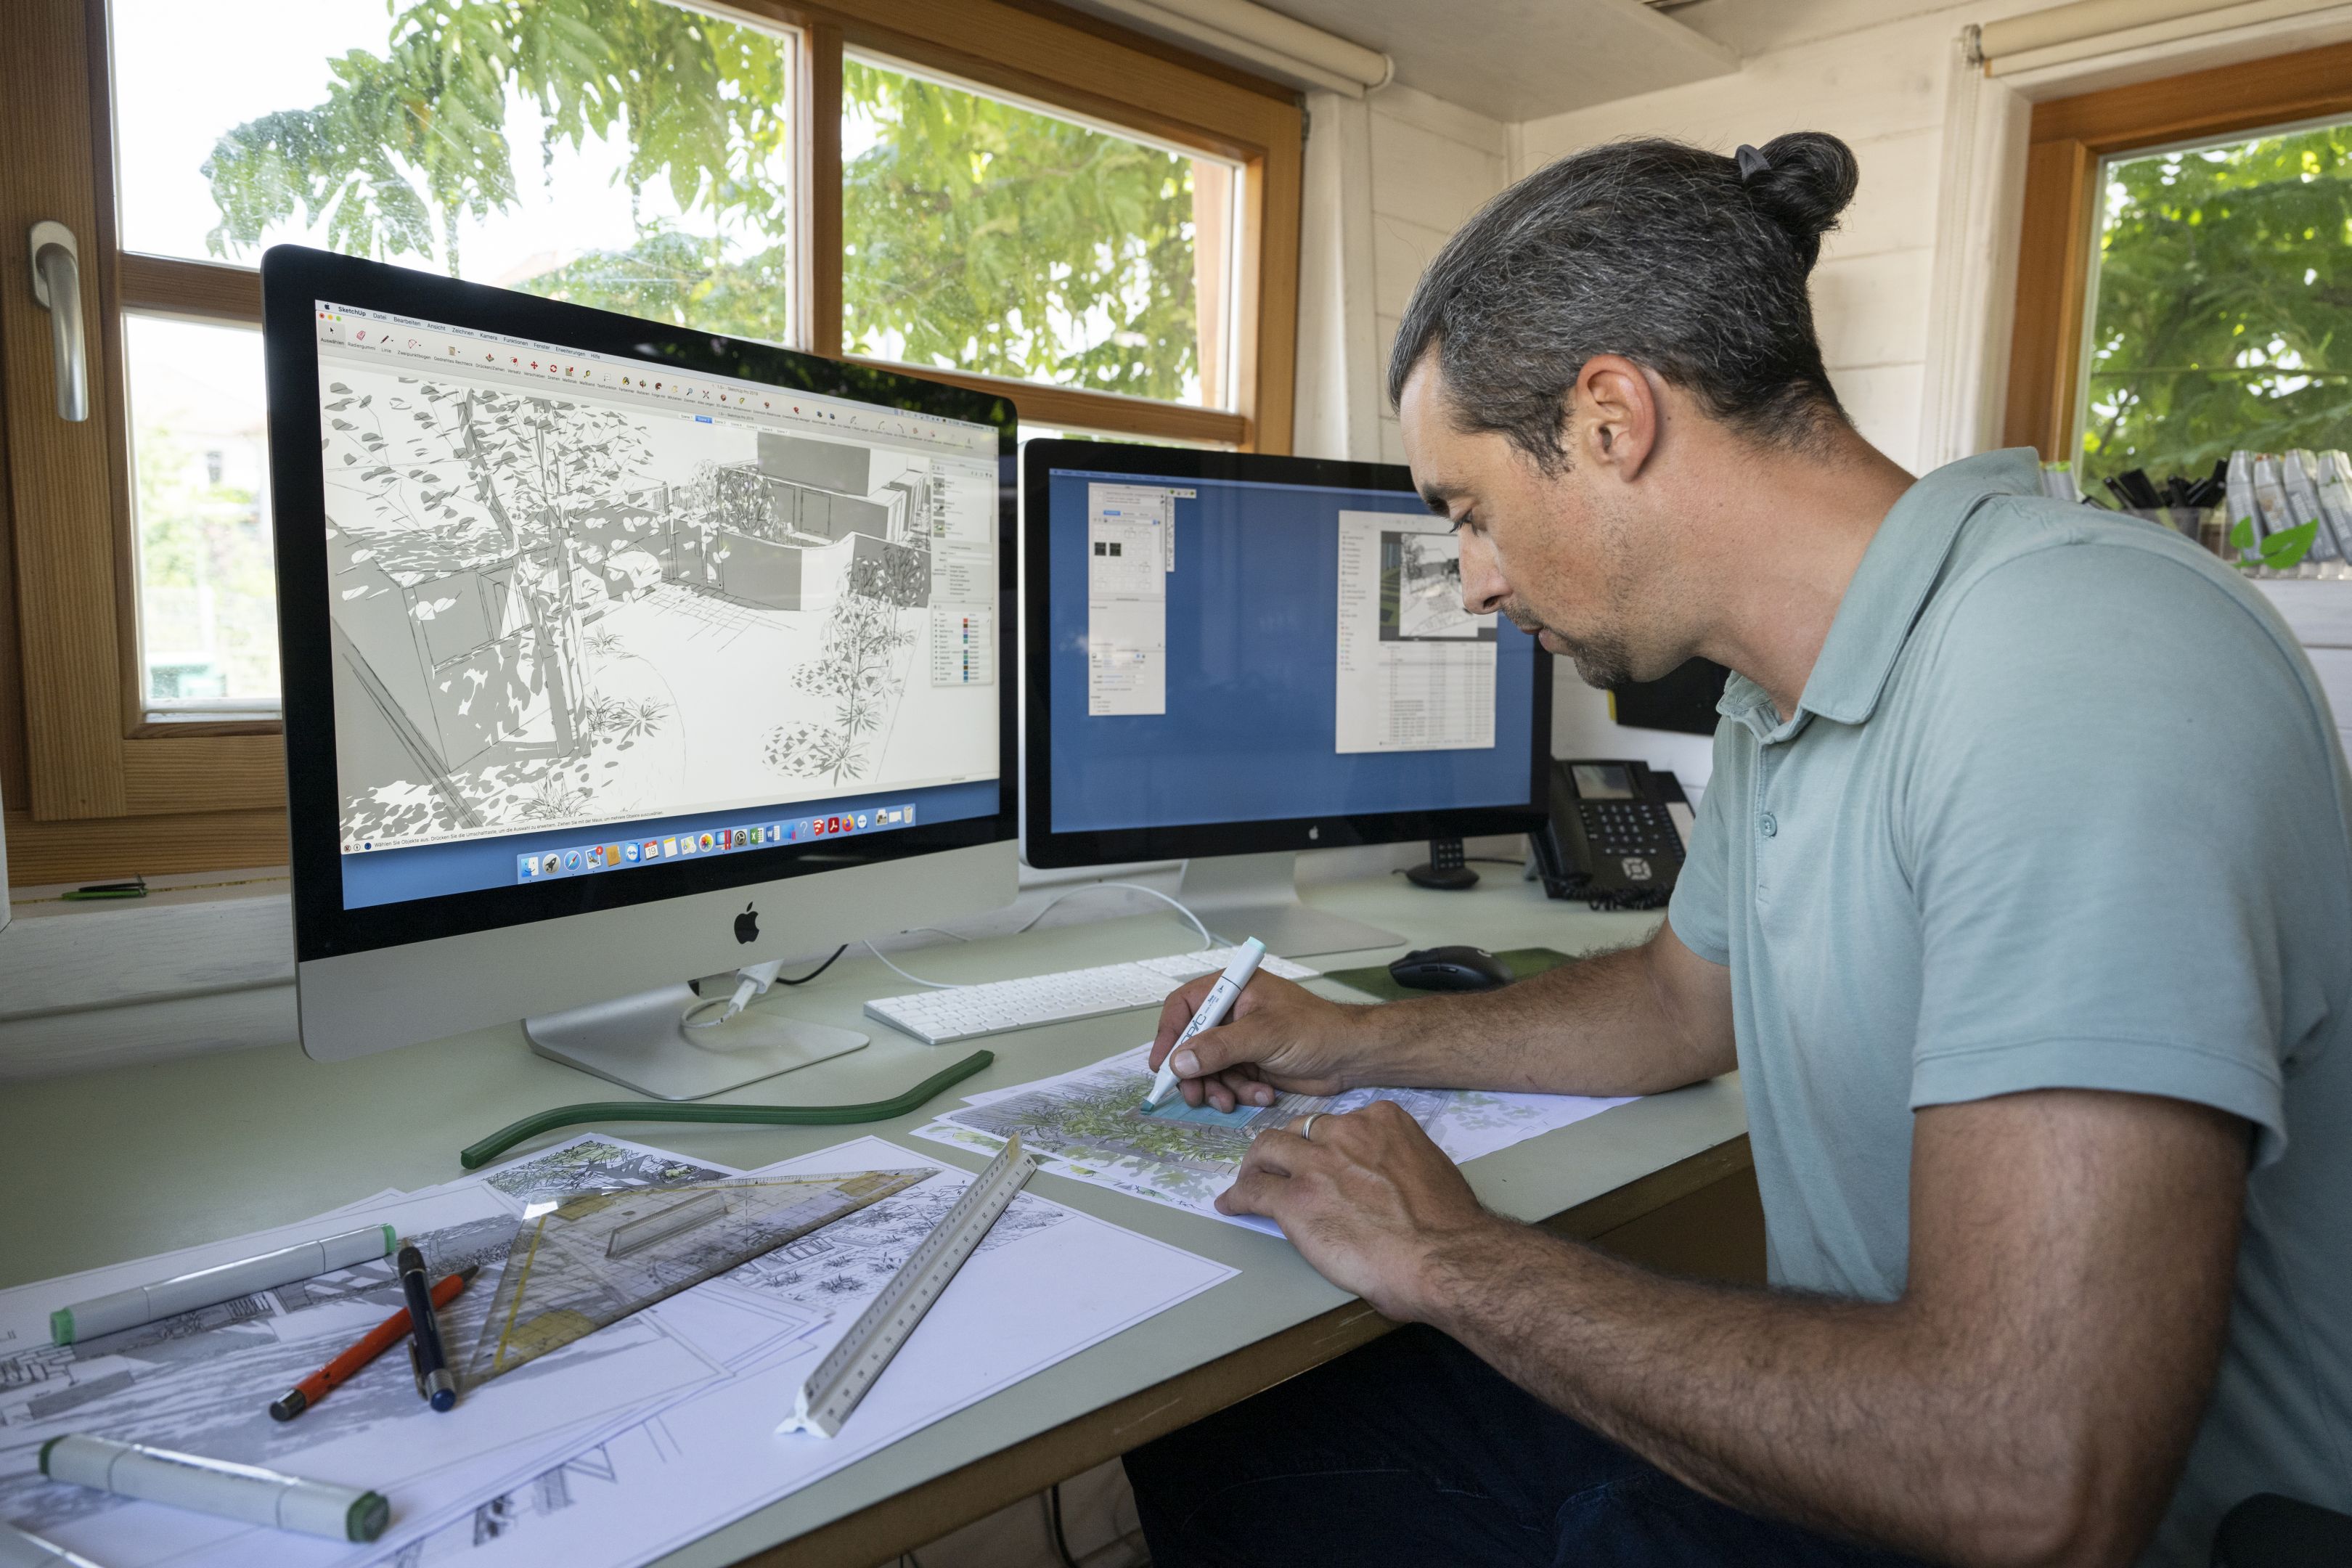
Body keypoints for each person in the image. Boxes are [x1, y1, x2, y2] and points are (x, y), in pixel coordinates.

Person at [1124, 131, 2351, 1568]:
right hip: (1864, 1462)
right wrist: (1350, 1040)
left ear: (1610, 419)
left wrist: (1452, 1257)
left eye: (1471, 514)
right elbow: (1676, 1003)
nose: (1474, 585)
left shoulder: (2077, 667)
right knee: (1228, 1432)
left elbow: (2030, 1476)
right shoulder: (1782, 696)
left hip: (2008, 1512)